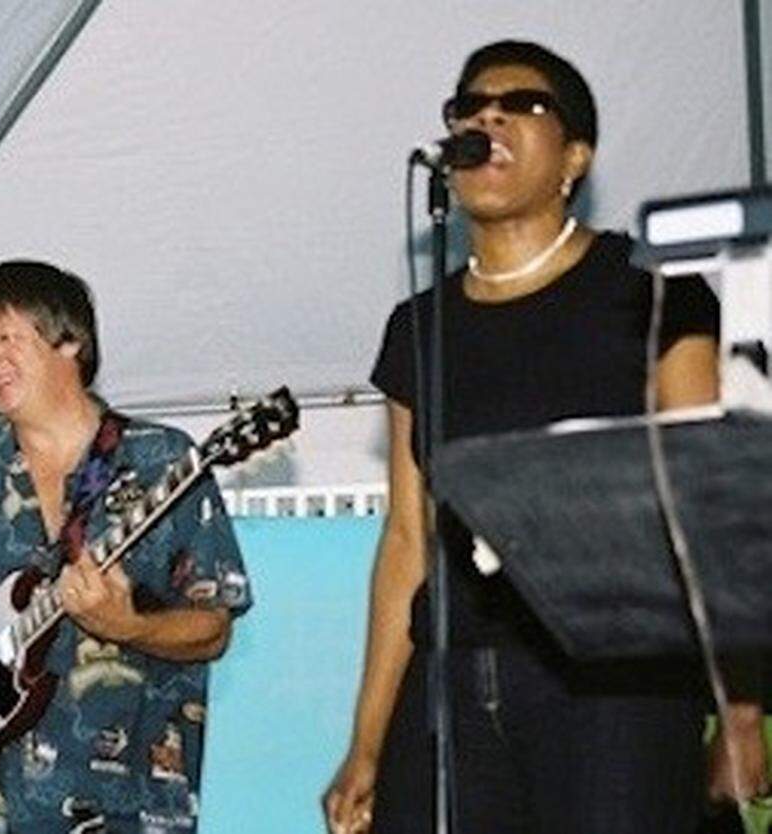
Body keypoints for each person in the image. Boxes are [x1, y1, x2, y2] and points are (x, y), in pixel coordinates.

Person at [324, 40, 766, 834]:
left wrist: (738, 713)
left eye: (524, 104)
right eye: (469, 106)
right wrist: (367, 744)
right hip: (449, 684)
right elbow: (405, 541)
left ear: (574, 159)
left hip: (613, 685)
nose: (487, 116)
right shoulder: (417, 327)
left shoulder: (651, 284)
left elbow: (706, 502)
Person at [0, 260, 252, 834]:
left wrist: (128, 625)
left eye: (7, 338)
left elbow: (214, 628)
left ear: (70, 342)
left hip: (128, 806)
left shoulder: (164, 461)